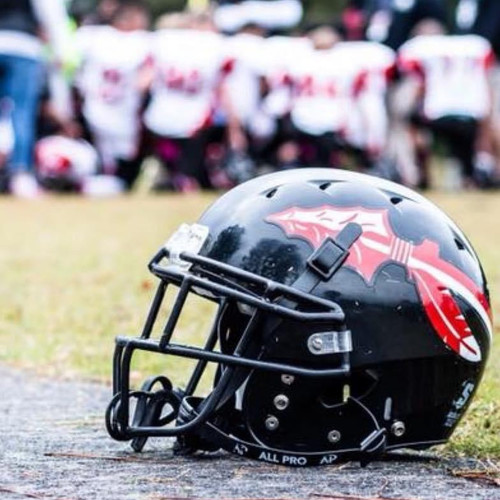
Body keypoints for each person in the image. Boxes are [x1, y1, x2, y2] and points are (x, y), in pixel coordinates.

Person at [143, 13, 243, 191]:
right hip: (196, 119)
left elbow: (142, 82)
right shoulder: (214, 46)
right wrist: (234, 124)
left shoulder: (162, 44)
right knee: (192, 170)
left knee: (175, 165)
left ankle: (167, 177)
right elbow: (222, 88)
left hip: (160, 116)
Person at [398, 19, 495, 188]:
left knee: (411, 122)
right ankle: (478, 174)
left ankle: (422, 172)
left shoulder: (422, 49)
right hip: (471, 114)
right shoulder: (473, 46)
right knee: (468, 151)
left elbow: (420, 86)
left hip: (438, 114)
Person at [75, 0, 151, 190]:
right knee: (119, 159)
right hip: (121, 109)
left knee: (105, 156)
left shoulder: (92, 36)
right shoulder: (142, 41)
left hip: (96, 107)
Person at [0, 0, 73, 197]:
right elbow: (51, 13)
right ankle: (20, 173)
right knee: (21, 112)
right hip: (23, 46)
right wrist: (61, 51)